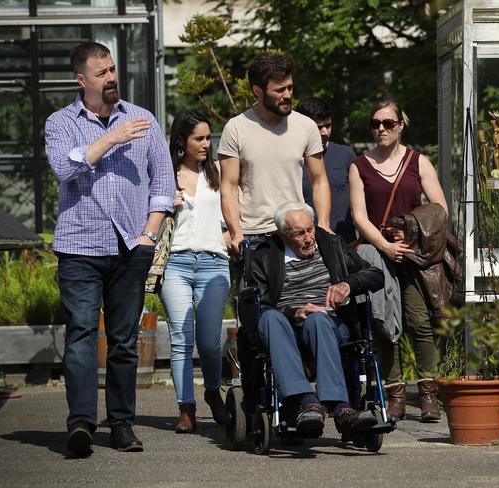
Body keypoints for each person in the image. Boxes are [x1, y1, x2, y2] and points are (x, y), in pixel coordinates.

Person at [45, 42, 175, 456]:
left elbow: (163, 183)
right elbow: (65, 168)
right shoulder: (61, 122)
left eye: (113, 70)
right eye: (102, 73)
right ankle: (82, 422)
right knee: (81, 333)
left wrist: (149, 235)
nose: (111, 78)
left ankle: (121, 425)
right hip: (79, 247)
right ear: (81, 80)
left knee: (122, 341)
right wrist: (111, 138)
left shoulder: (144, 119)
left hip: (129, 248)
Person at [348, 99, 448, 423]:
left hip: (412, 256)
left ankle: (429, 395)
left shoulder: (419, 162)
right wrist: (384, 246)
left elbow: (439, 208)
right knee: (384, 324)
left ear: (400, 126)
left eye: (387, 123)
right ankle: (395, 394)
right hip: (377, 255)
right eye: (375, 123)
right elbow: (359, 218)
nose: (380, 129)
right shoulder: (359, 166)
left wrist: (412, 232)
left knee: (419, 322)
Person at [249, 202, 384, 437]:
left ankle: (340, 408)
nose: (309, 238)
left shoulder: (330, 244)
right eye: (299, 233)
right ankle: (307, 401)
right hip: (286, 328)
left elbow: (374, 274)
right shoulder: (265, 256)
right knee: (270, 317)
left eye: (310, 229)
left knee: (317, 320)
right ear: (283, 234)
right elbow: (255, 306)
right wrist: (294, 312)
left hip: (331, 324)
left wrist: (348, 284)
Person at [218, 52, 332, 255]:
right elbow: (229, 187)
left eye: (290, 87)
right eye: (279, 90)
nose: (287, 95)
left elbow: (319, 180)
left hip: (298, 233)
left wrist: (322, 226)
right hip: (254, 236)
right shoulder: (236, 128)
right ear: (257, 91)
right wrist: (236, 233)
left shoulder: (306, 126)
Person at [160, 110, 230, 434]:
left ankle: (213, 391)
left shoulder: (217, 172)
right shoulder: (165, 175)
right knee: (180, 339)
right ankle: (185, 408)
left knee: (210, 342)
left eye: (207, 137)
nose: (206, 144)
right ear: (181, 141)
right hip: (176, 263)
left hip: (214, 263)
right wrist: (162, 203)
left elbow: (233, 215)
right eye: (198, 138)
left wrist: (233, 235)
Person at [296, 97, 357, 244]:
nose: (325, 132)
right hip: (305, 245)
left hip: (345, 243)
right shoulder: (292, 159)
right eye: (318, 127)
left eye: (328, 125)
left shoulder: (346, 155)